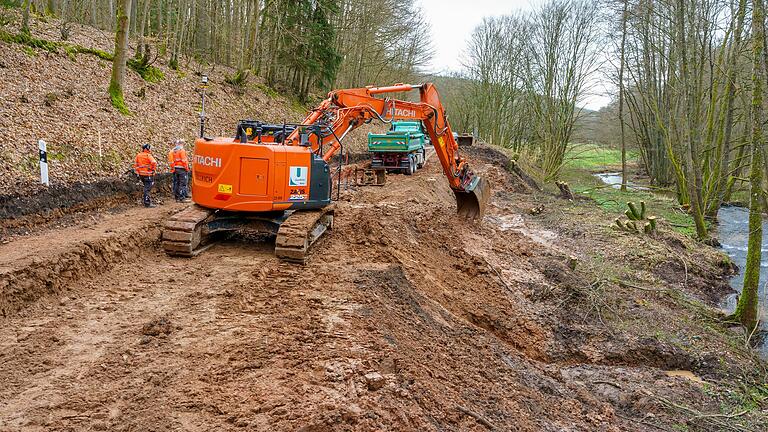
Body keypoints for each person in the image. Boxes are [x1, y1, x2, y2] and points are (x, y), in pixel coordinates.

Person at [134, 143, 158, 208]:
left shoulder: (138, 155)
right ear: (147, 148)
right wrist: (152, 169)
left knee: (146, 187)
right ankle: (147, 203)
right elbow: (154, 162)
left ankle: (146, 201)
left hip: (141, 175)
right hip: (148, 174)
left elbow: (135, 165)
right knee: (147, 189)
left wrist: (138, 172)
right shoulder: (148, 155)